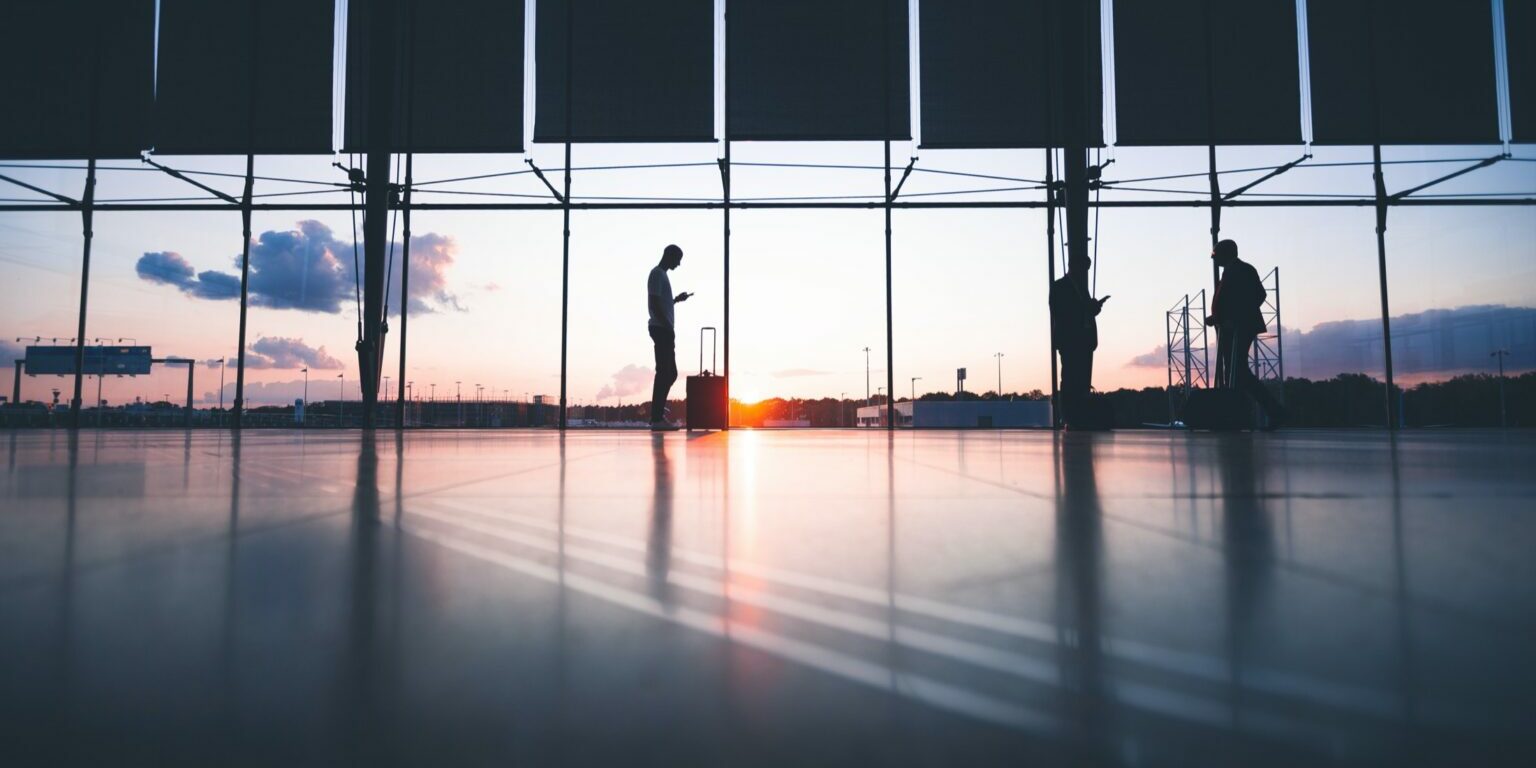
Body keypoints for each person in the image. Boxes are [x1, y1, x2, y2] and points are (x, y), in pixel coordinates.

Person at [1206, 239, 1286, 428]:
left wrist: (1235, 318)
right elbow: (1232, 300)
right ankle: (1245, 412)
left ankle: (1270, 411)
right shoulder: (1230, 272)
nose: (1214, 260)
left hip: (1240, 327)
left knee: (1238, 370)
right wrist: (1217, 317)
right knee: (1235, 371)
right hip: (1229, 328)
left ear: (1227, 254)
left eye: (1216, 256)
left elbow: (1258, 295)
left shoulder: (1243, 270)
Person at [1050, 252, 1109, 429]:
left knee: (1079, 380)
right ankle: (1069, 418)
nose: (1085, 271)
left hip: (1083, 341)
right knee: (1070, 380)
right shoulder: (1060, 287)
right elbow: (1059, 312)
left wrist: (1092, 309)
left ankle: (1075, 417)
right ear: (1074, 266)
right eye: (1084, 268)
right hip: (1071, 341)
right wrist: (1087, 308)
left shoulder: (1077, 288)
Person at [647, 244, 692, 430]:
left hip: (663, 328)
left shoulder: (661, 275)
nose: (679, 264)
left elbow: (661, 302)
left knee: (669, 373)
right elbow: (654, 303)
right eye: (678, 259)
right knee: (665, 372)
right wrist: (666, 325)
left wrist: (675, 300)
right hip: (662, 328)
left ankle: (657, 413)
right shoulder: (657, 274)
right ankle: (656, 417)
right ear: (669, 256)